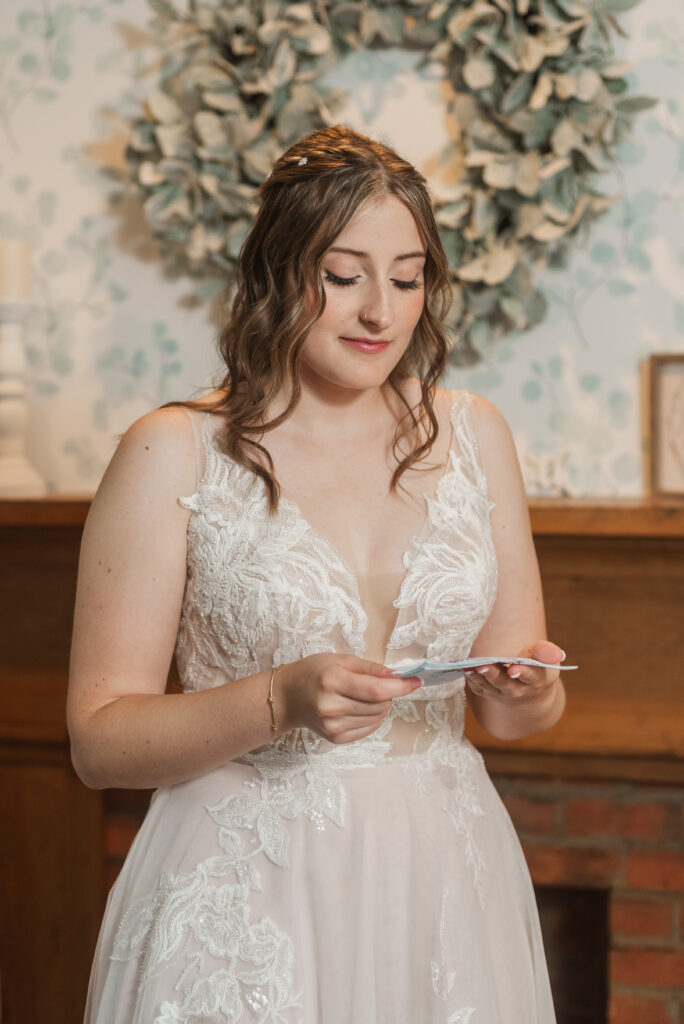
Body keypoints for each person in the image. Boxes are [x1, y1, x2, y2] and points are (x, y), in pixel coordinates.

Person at [68, 124, 565, 1023]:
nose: (381, 311)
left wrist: (528, 692)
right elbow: (99, 742)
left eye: (408, 278)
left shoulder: (475, 435)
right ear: (275, 273)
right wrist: (279, 702)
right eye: (344, 277)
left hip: (442, 875)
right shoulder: (173, 450)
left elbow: (513, 704)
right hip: (247, 884)